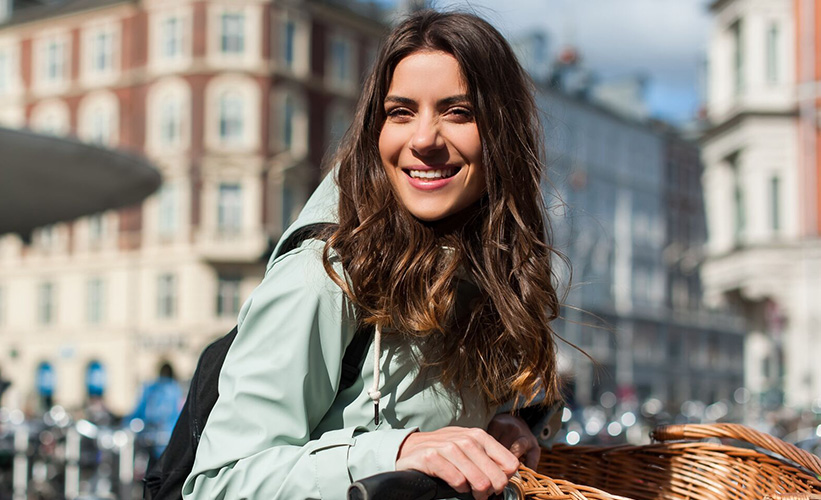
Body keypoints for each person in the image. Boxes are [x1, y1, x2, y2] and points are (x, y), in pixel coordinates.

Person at [184, 10, 564, 500]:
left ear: (503, 135)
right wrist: (394, 452)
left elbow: (432, 427)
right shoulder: (324, 275)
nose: (423, 139)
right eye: (400, 112)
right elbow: (220, 484)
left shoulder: (479, 271)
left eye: (458, 112)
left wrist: (495, 428)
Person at [128, 362, 184, 461]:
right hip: (170, 441)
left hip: (149, 440)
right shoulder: (176, 390)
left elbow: (138, 412)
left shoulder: (150, 388)